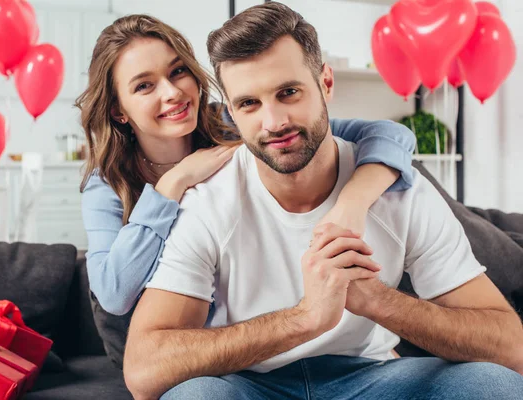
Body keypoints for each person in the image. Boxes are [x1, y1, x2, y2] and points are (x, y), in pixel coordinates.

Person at [122, 3, 523, 400]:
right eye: (249, 103)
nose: (274, 122)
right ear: (231, 111)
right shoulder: (207, 201)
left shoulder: (402, 192)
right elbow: (144, 369)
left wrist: (379, 301)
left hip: (372, 377)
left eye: (289, 92)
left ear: (326, 83)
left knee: (496, 386)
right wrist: (305, 319)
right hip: (247, 382)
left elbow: (512, 347)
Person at [77, 13, 417, 367]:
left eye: (178, 71)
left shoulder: (238, 119)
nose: (173, 92)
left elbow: (392, 135)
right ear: (118, 110)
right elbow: (113, 294)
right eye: (144, 86)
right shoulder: (105, 184)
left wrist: (353, 204)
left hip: (261, 337)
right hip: (175, 352)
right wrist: (172, 185)